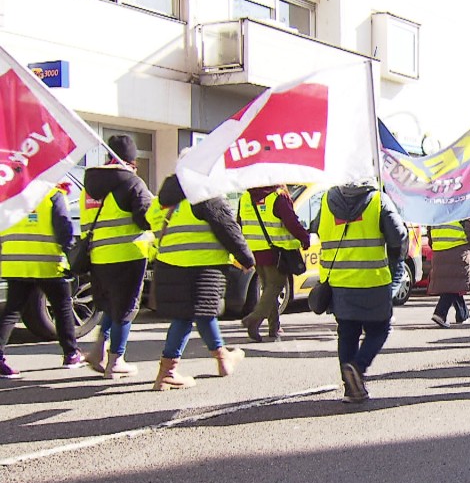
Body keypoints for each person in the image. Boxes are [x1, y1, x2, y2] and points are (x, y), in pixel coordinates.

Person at [148, 175, 254, 391]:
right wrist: (246, 259)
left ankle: (223, 359)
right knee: (191, 316)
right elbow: (228, 228)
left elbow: (148, 220)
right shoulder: (205, 195)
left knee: (198, 314)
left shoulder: (163, 201)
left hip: (169, 265)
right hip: (204, 266)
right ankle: (167, 373)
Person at [316, 178, 407, 403]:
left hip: (338, 280)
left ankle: (351, 388)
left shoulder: (328, 199)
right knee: (380, 328)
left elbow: (317, 228)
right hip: (372, 280)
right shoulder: (378, 200)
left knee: (347, 332)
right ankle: (358, 367)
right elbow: (399, 236)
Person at [81, 135, 153, 378]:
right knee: (125, 308)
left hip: (98, 256)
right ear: (131, 160)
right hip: (127, 255)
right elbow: (145, 219)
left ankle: (98, 352)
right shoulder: (133, 183)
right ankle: (116, 360)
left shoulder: (89, 186)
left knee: (111, 308)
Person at [0, 185, 85, 379]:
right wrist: (69, 251)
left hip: (15, 262)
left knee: (12, 311)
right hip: (47, 263)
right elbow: (64, 227)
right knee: (62, 307)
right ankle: (71, 354)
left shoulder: (8, 195)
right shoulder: (52, 194)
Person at [238, 185, 311, 342]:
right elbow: (291, 222)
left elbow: (239, 223)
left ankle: (274, 327)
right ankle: (254, 319)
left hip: (254, 250)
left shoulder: (246, 197)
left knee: (267, 289)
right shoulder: (278, 197)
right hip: (275, 251)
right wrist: (304, 238)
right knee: (276, 286)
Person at [429, 218, 470, 328]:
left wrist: (433, 243)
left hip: (439, 247)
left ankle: (463, 314)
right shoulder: (464, 204)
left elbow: (429, 226)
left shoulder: (438, 204)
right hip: (458, 248)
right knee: (454, 283)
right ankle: (440, 313)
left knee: (453, 282)